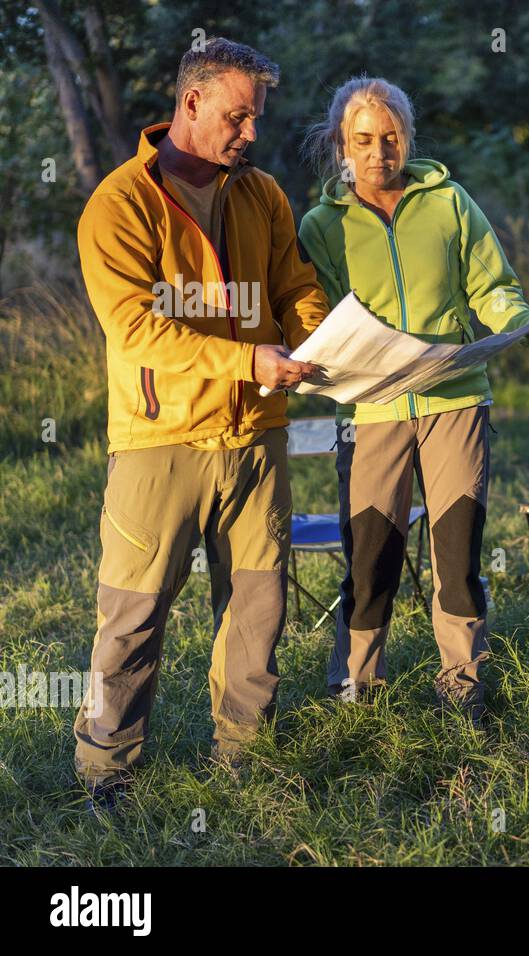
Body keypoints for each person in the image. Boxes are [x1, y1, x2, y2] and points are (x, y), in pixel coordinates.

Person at [74, 38, 329, 809]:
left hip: (258, 439)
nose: (250, 132)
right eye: (238, 116)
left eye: (255, 117)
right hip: (161, 441)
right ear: (191, 103)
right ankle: (104, 775)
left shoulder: (264, 195)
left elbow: (296, 286)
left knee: (258, 610)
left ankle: (243, 759)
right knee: (132, 617)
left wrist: (320, 342)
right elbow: (137, 330)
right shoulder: (117, 205)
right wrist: (251, 362)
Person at [298, 77, 529, 722]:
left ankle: (462, 684)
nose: (380, 152)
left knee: (457, 552)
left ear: (408, 138)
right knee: (371, 556)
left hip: (454, 398)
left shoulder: (450, 203)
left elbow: (491, 285)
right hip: (371, 408)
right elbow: (317, 315)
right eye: (364, 140)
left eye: (391, 138)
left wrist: (524, 322)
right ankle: (357, 688)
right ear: (341, 147)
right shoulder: (321, 227)